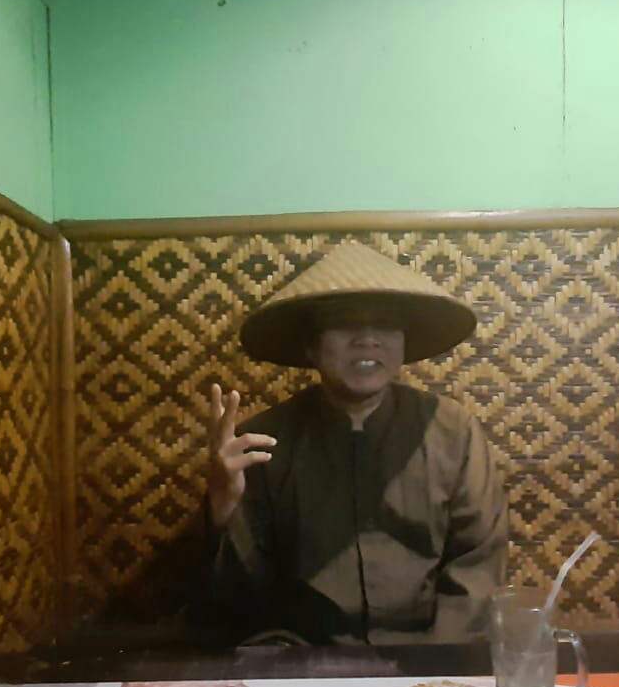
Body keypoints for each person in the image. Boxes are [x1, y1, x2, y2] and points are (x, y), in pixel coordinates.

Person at [199, 241, 508, 644]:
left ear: (402, 343)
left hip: (426, 656)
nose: (367, 339)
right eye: (345, 324)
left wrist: (436, 664)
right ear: (311, 347)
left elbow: (477, 564)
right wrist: (224, 506)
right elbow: (240, 598)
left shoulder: (452, 431)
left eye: (385, 324)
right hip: (302, 656)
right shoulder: (263, 440)